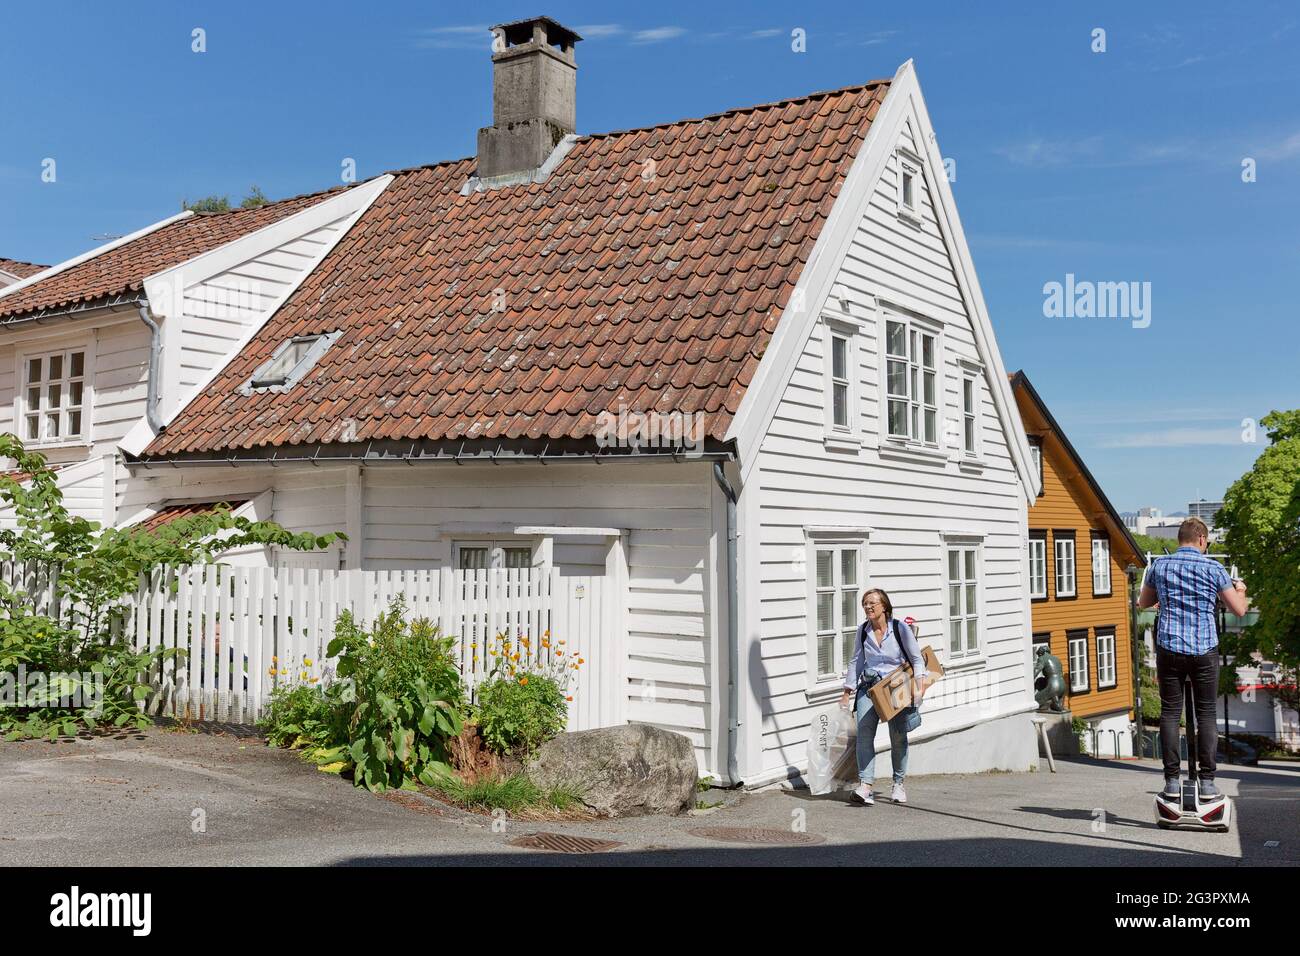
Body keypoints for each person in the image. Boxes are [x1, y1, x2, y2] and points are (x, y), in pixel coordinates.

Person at [1138, 517, 1248, 800]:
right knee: (1206, 714)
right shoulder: (1214, 568)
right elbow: (1238, 611)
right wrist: (1241, 590)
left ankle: (1172, 782)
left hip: (1170, 647)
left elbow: (1144, 603)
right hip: (1203, 649)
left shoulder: (1160, 566)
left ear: (1180, 538)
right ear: (1201, 539)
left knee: (1170, 713)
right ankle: (1208, 782)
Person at [839, 588, 927, 806]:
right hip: (869, 687)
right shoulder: (863, 631)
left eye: (872, 603)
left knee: (897, 737)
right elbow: (856, 662)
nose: (868, 607)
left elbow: (917, 659)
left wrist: (919, 687)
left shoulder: (900, 628)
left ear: (884, 607)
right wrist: (847, 692)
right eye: (865, 604)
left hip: (895, 688)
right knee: (864, 735)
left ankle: (898, 784)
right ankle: (866, 786)